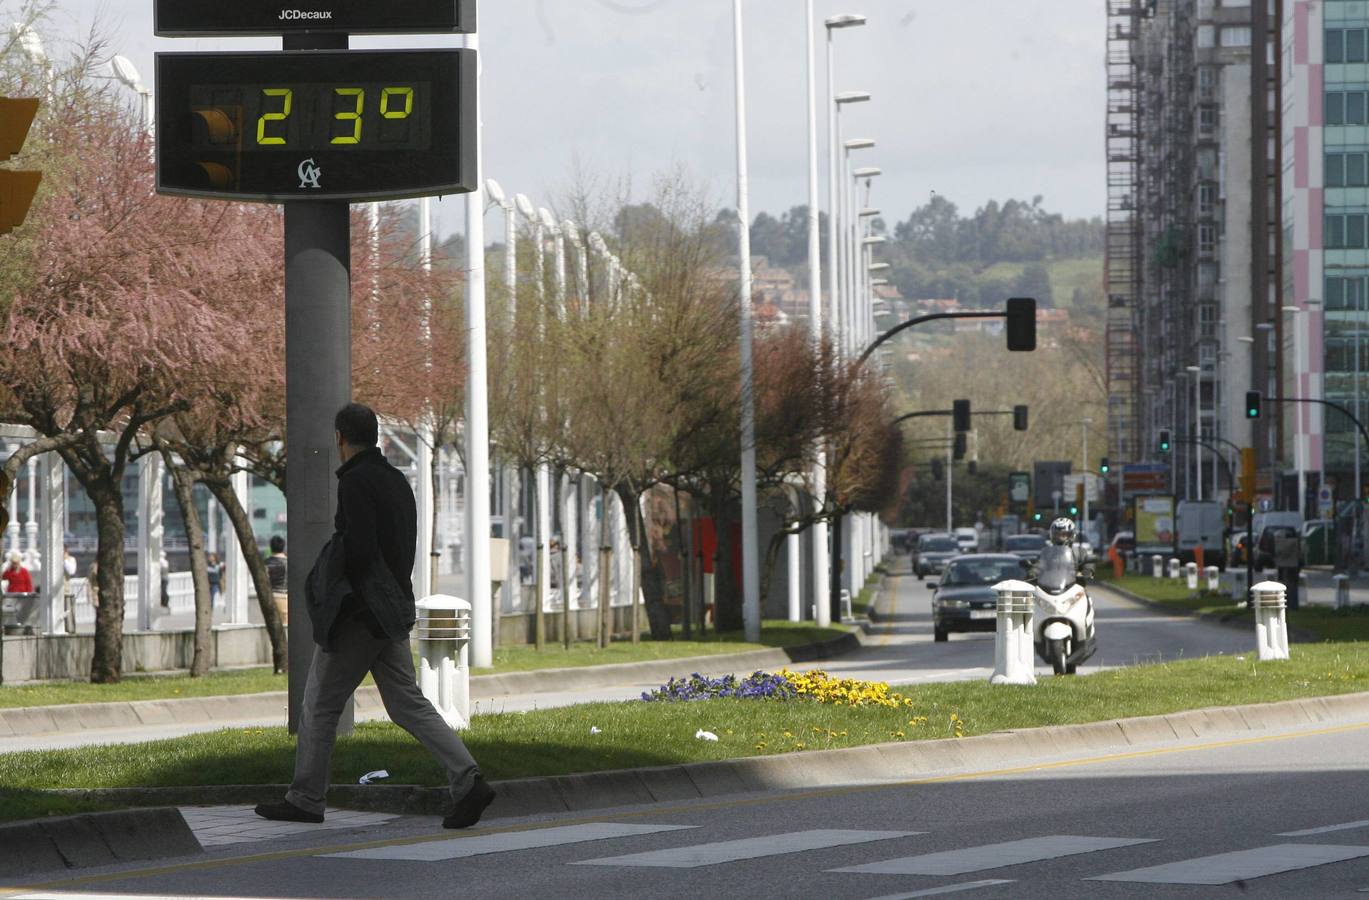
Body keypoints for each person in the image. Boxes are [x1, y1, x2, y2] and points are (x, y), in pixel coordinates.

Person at [255, 403, 493, 829]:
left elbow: (359, 549)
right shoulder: (396, 480)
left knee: (320, 705)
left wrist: (337, 587)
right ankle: (467, 778)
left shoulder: (356, 482)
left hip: (361, 615)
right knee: (407, 704)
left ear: (340, 438)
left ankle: (306, 798)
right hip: (394, 609)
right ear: (376, 434)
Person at [265, 535, 288, 626]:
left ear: (271, 547)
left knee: (271, 626)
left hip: (270, 597)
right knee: (286, 627)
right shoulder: (288, 562)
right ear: (283, 546)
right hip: (285, 597)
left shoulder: (266, 563)